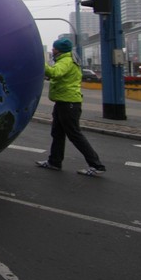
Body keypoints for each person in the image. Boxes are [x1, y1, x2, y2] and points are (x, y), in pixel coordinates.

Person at [36, 38, 107, 177]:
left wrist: (40, 62)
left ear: (59, 50)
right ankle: (54, 162)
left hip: (69, 103)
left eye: (54, 48)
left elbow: (54, 73)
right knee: (57, 133)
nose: (52, 50)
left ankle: (96, 165)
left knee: (74, 135)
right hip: (62, 102)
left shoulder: (66, 61)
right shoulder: (65, 60)